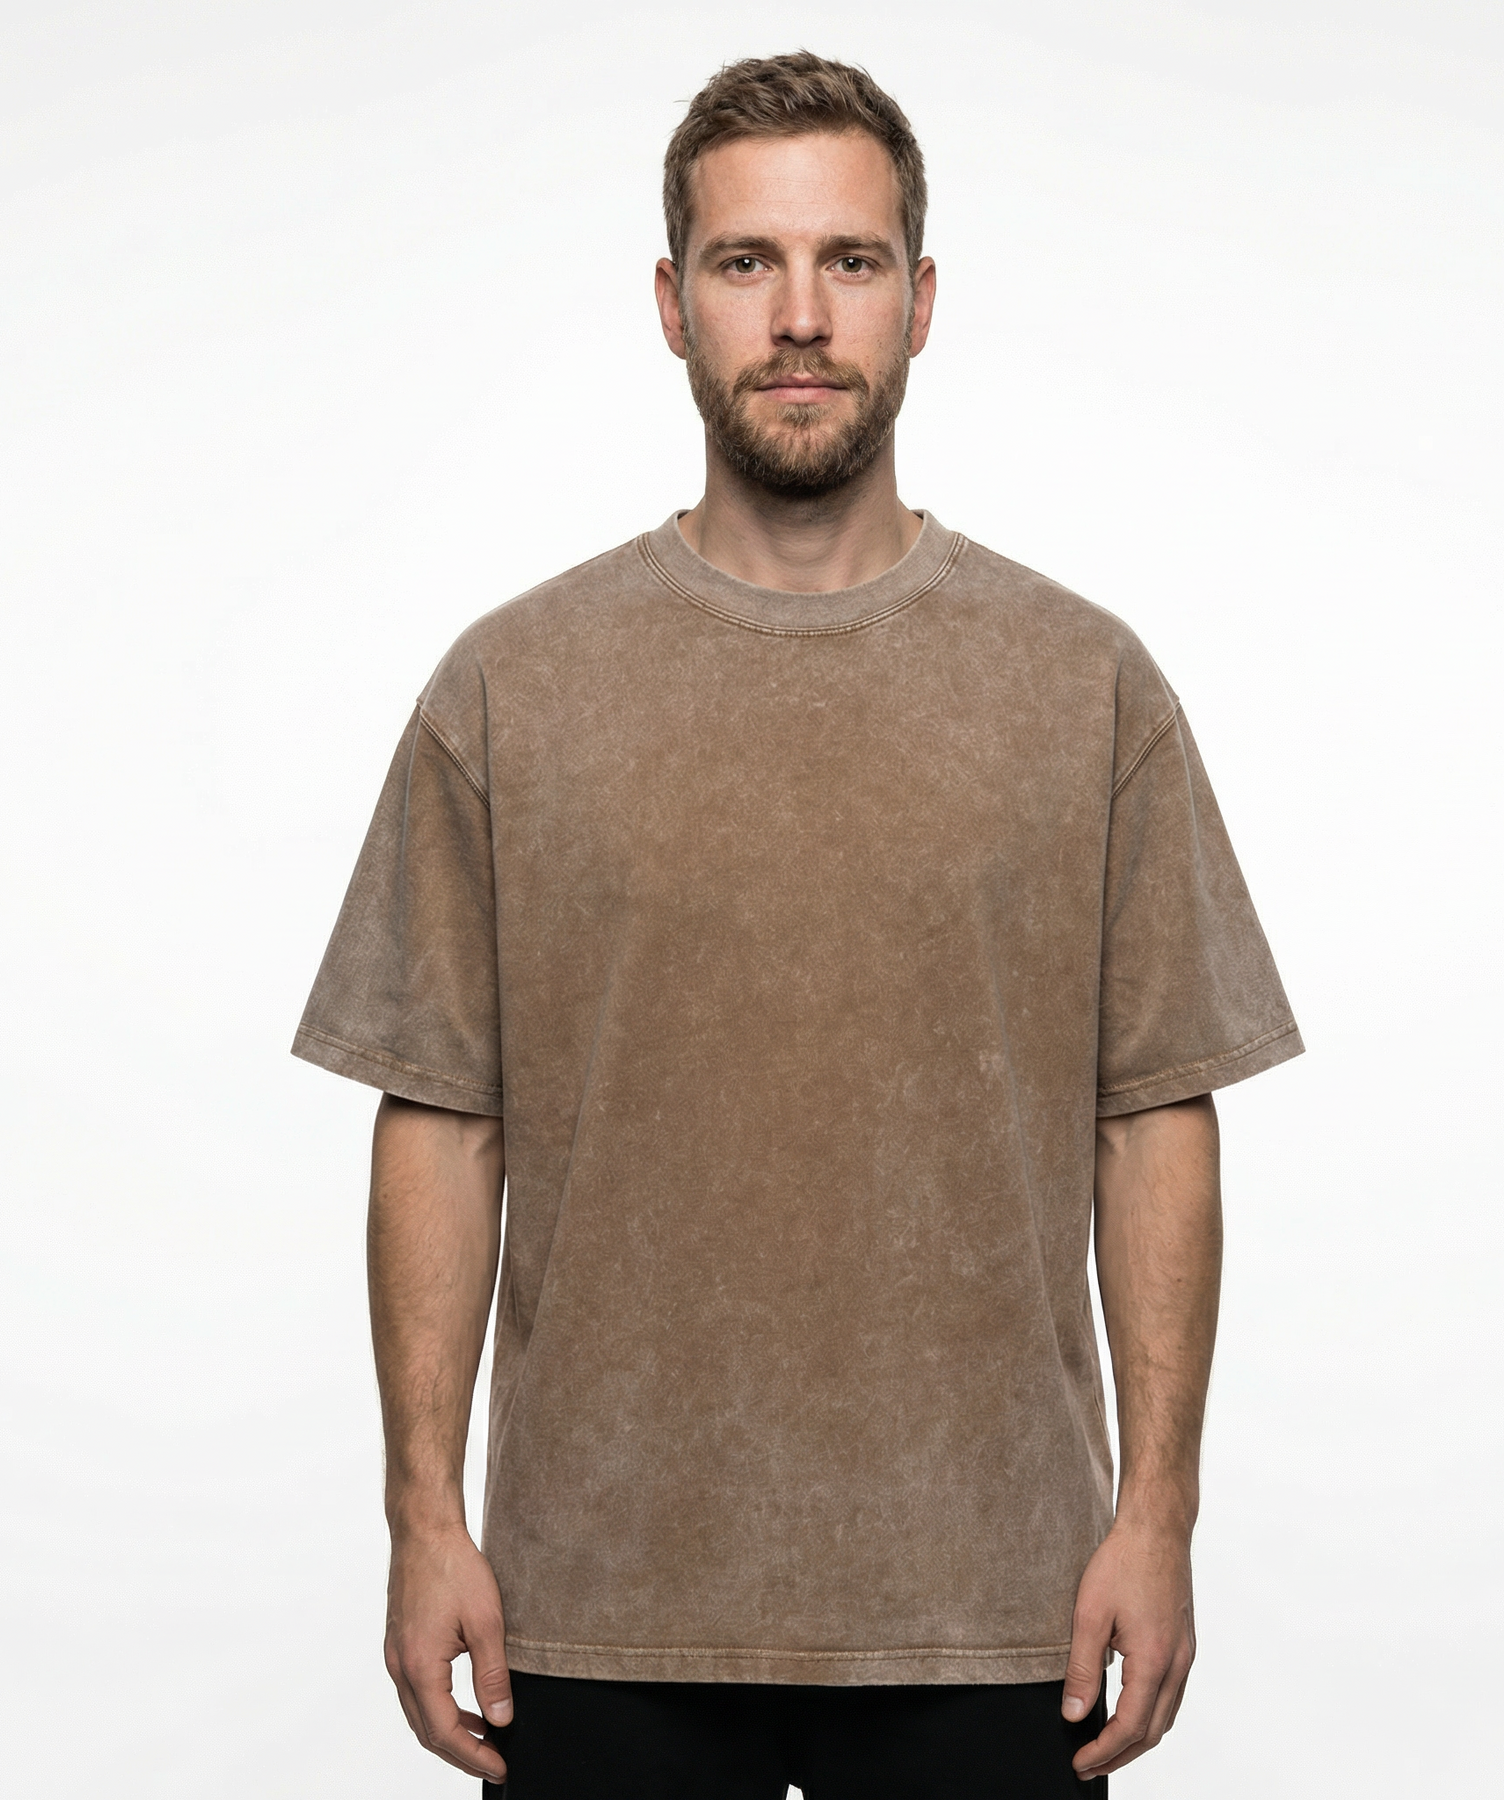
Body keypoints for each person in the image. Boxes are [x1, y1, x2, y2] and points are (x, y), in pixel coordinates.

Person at [293, 50, 1302, 1799]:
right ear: (671, 303)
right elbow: (442, 1118)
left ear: (923, 299)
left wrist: (1161, 1515)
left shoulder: (1084, 687)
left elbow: (1154, 1116)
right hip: (591, 1612)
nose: (803, 318)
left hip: (999, 1609)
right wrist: (421, 1519)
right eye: (747, 262)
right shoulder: (512, 689)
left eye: (850, 261)